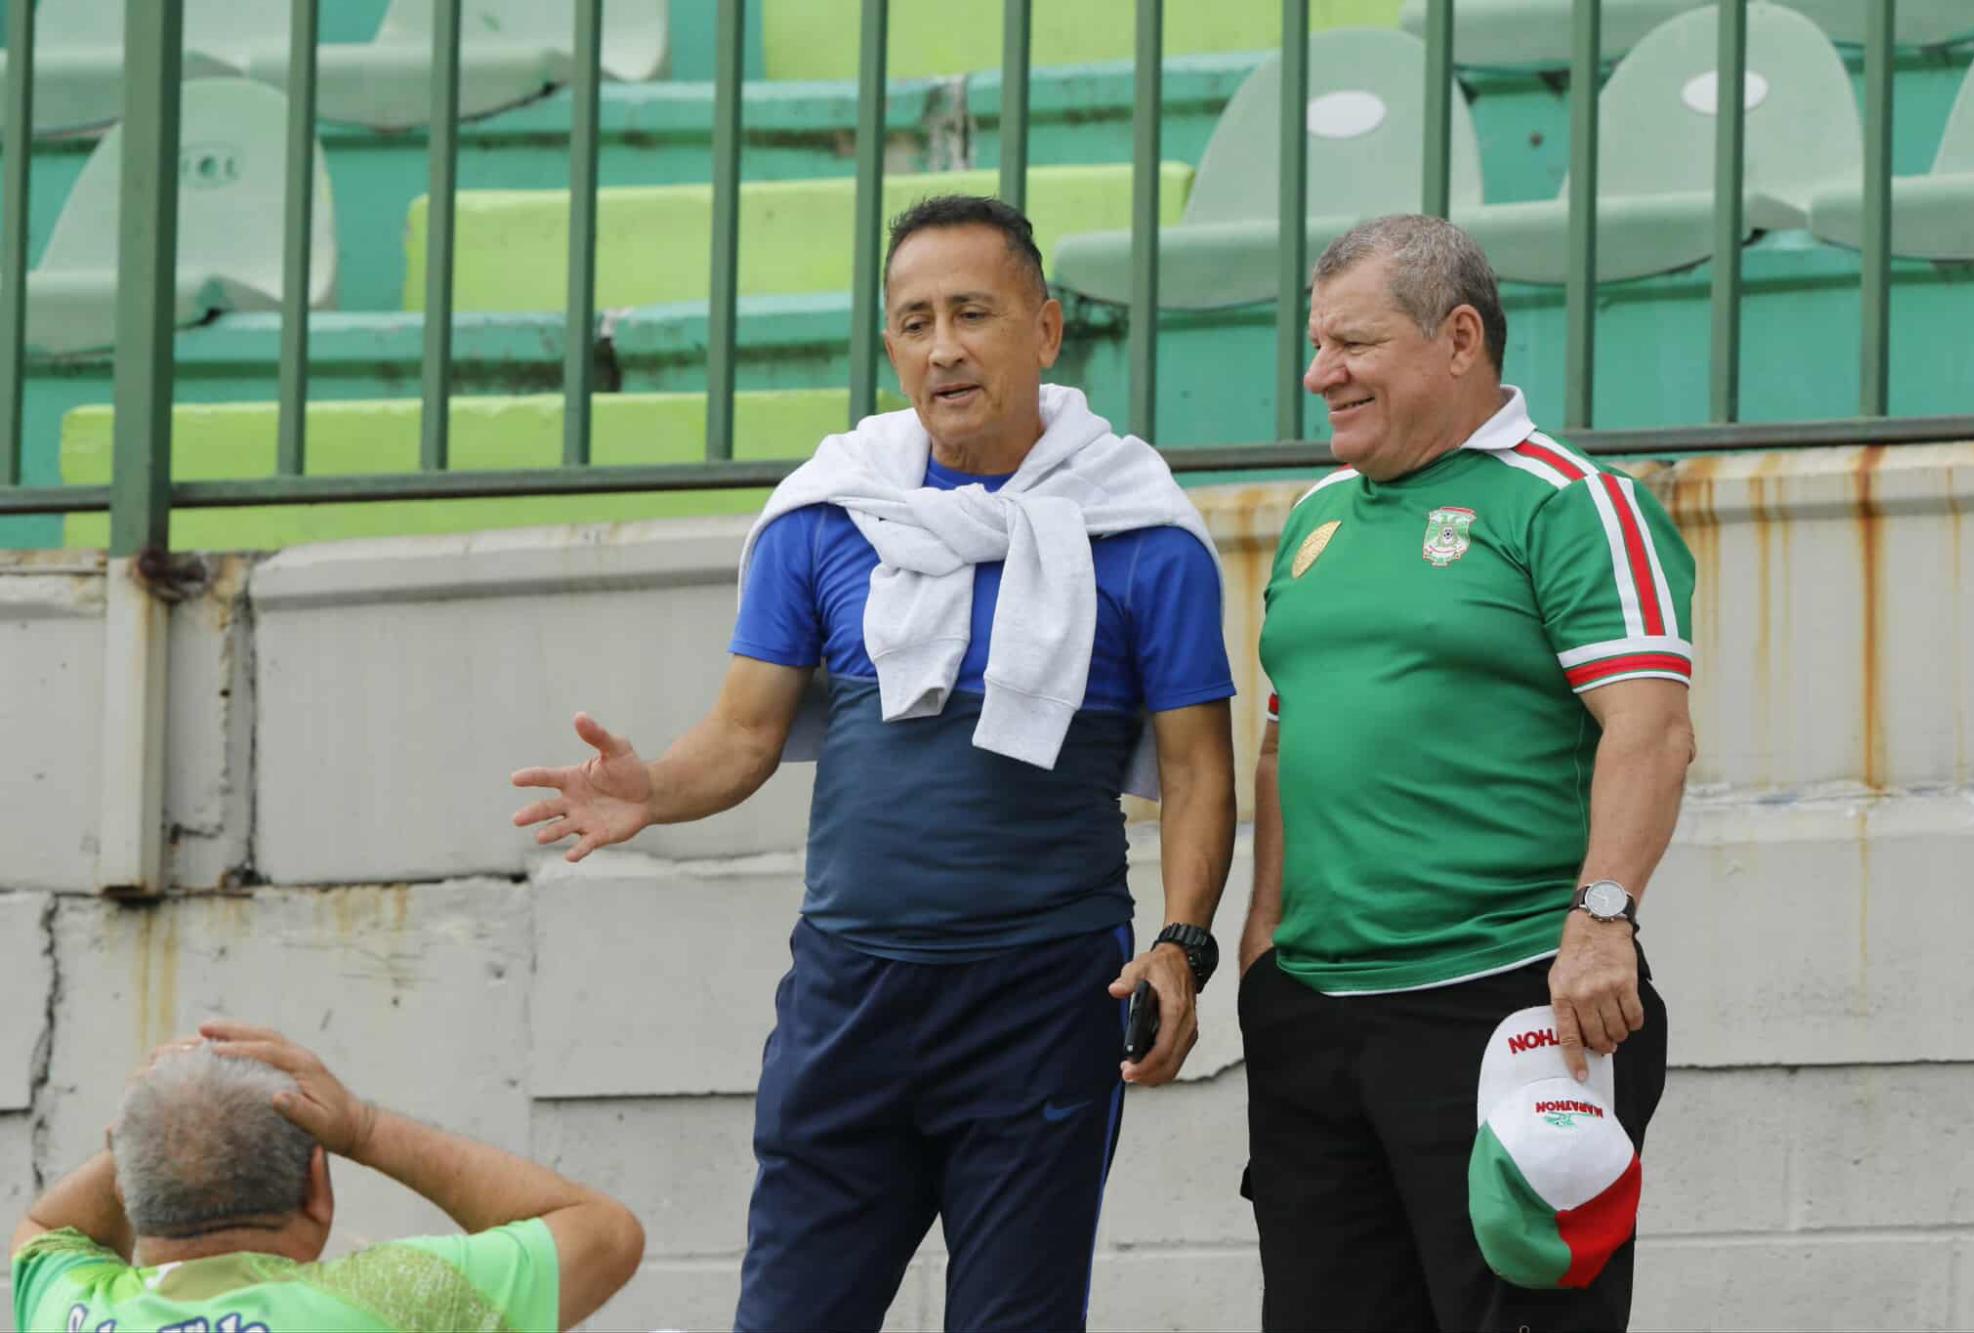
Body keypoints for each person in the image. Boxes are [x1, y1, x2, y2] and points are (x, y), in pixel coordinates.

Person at [510, 194, 1238, 1333]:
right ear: (889, 344)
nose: (942, 347)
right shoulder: (828, 511)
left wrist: (1180, 942)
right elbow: (747, 732)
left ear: (1044, 330)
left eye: (971, 313)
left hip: (1043, 998)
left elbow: (1197, 770)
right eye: (913, 321)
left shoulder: (1139, 531)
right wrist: (653, 788)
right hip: (849, 999)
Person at [1239, 214, 1696, 1332]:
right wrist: (1260, 950)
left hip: (1502, 1010)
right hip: (1316, 1020)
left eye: (1351, 344)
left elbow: (1650, 728)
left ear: (1456, 339)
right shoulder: (1314, 518)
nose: (1319, 374)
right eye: (1313, 344)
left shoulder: (1572, 503)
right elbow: (1282, 741)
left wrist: (1601, 921)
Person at [10, 1023, 644, 1333]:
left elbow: (46, 1228)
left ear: (128, 1185)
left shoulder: (71, 1311)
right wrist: (364, 1129)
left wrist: (151, 1126)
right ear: (318, 1187)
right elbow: (605, 1233)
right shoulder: (397, 1302)